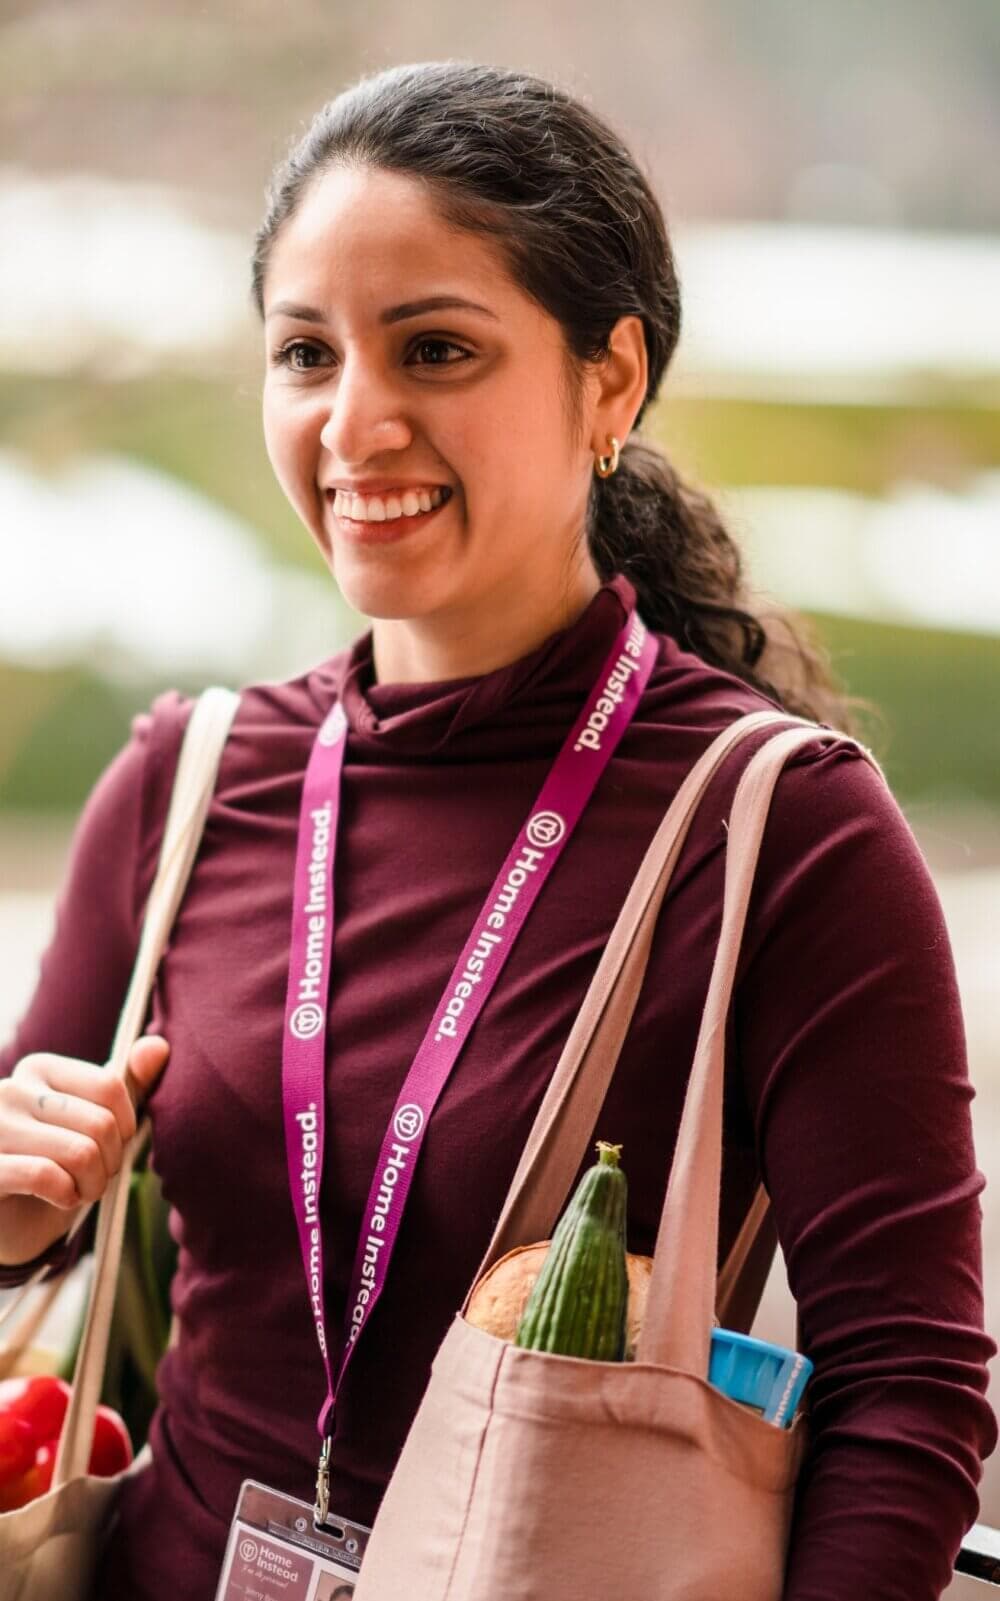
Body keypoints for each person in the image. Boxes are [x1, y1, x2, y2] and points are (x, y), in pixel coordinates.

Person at [0, 59, 994, 1601]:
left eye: (437, 349)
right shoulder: (189, 781)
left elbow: (909, 1390)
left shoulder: (777, 833)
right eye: (307, 353)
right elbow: (34, 1233)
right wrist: (18, 1212)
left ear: (611, 380)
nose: (356, 422)